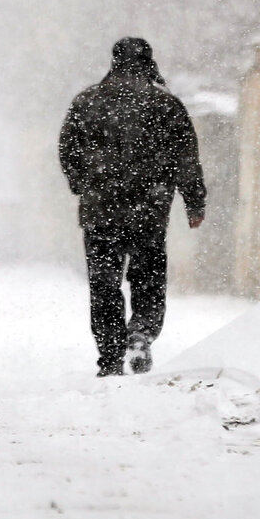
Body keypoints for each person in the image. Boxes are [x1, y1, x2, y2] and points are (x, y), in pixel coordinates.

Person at [58, 37, 207, 377]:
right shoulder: (166, 106)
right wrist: (194, 201)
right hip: (149, 211)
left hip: (100, 211)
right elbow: (186, 158)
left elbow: (69, 151)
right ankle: (140, 334)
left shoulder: (88, 102)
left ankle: (110, 357)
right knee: (148, 279)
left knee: (105, 284)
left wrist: (84, 183)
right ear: (148, 62)